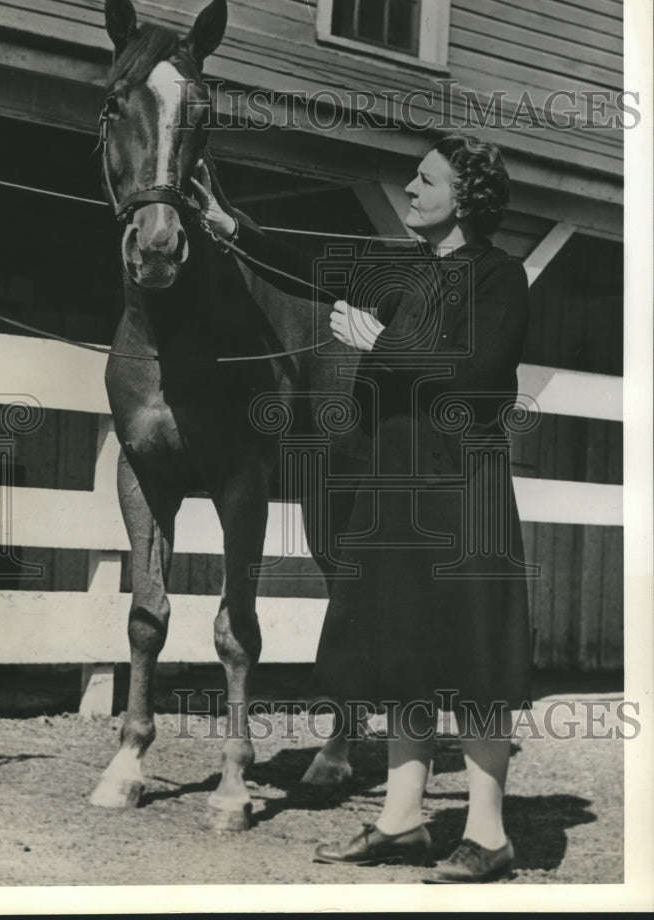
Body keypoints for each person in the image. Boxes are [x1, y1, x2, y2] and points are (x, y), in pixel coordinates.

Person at [193, 133, 532, 884]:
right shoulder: (405, 271)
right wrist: (234, 228)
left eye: (424, 180)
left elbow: (476, 372)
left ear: (465, 199)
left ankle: (488, 834)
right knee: (402, 653)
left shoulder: (501, 278)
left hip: (462, 489)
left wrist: (382, 343)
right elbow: (312, 270)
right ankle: (402, 822)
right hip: (393, 492)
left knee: (475, 662)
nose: (410, 189)